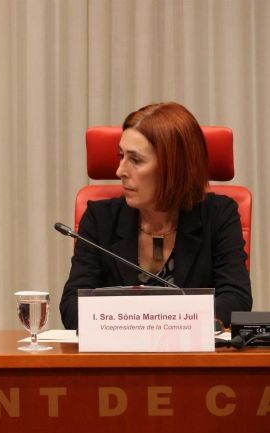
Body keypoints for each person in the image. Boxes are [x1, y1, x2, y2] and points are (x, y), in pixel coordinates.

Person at [60, 102, 252, 330]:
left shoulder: (218, 216)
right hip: (119, 351)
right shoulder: (100, 219)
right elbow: (72, 307)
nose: (119, 171)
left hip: (192, 352)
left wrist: (156, 324)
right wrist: (146, 326)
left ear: (174, 168)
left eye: (135, 160)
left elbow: (235, 298)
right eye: (121, 156)